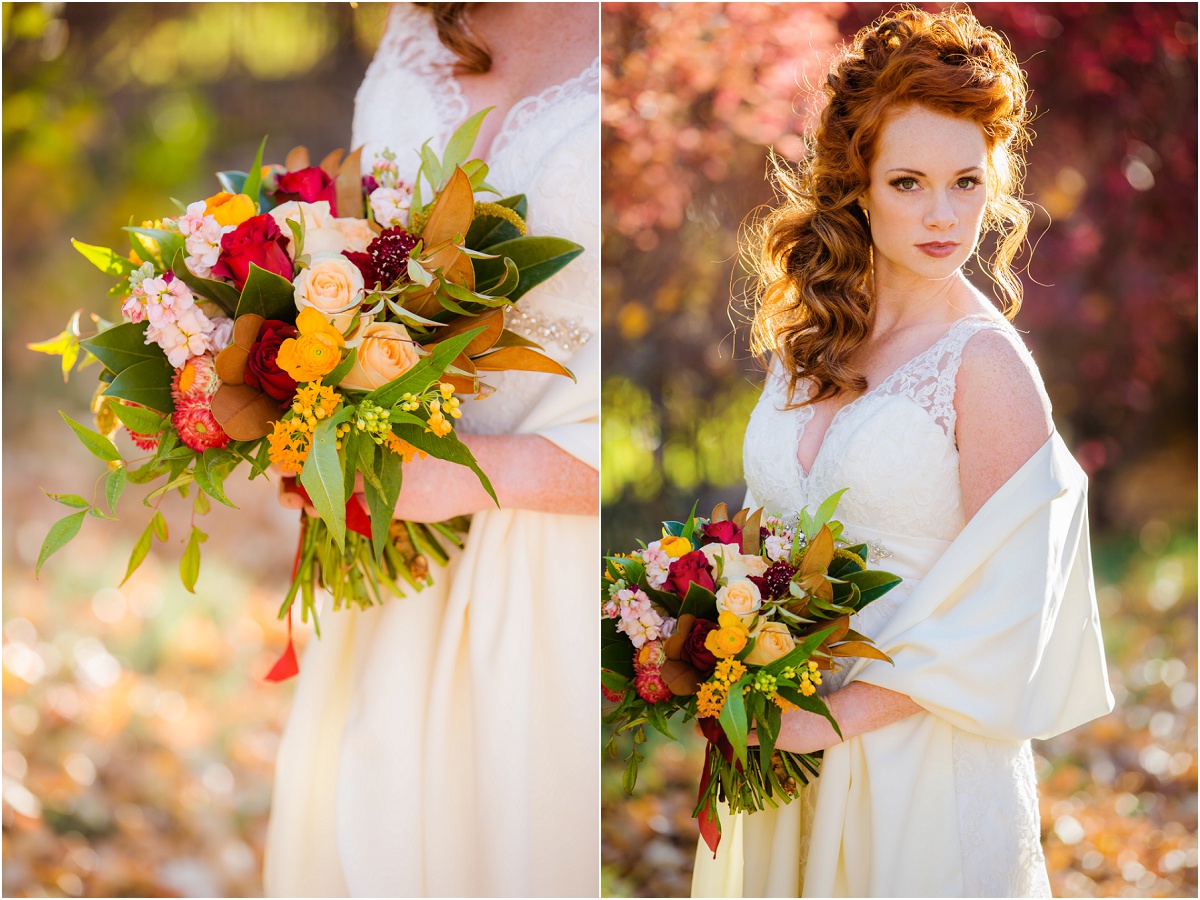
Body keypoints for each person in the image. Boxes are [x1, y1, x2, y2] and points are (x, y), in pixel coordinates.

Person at [691, 8, 1112, 897]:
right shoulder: (810, 337)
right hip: (782, 741)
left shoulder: (985, 367)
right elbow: (775, 527)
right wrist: (703, 639)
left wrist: (826, 722)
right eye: (909, 182)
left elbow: (1008, 613)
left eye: (966, 181)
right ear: (859, 184)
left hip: (918, 765)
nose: (943, 215)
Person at [264, 3, 600, 896]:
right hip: (387, 532)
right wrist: (287, 393)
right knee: (364, 823)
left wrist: (477, 475)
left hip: (548, 548)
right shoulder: (421, 14)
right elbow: (356, 235)